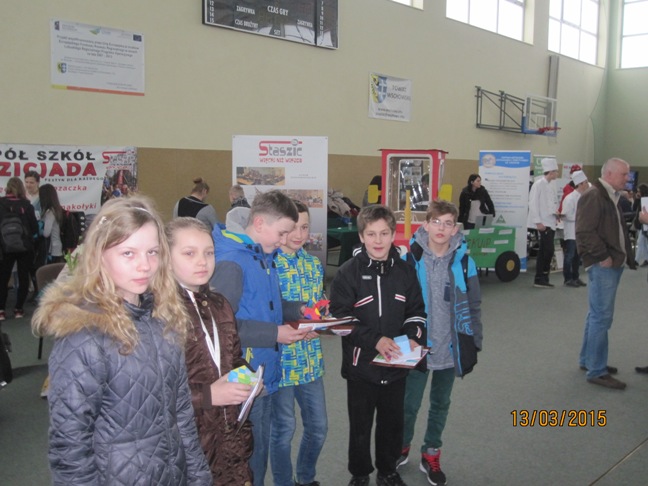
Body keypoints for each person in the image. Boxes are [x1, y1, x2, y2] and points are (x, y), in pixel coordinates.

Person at [31, 196, 212, 484]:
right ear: (99, 254)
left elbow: (181, 415)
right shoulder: (84, 336)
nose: (145, 266)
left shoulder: (162, 321)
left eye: (152, 252)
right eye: (128, 253)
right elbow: (70, 446)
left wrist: (199, 476)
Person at [209, 190, 309, 486]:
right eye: (282, 233)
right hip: (244, 374)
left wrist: (298, 311)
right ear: (260, 223)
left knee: (259, 450)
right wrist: (275, 333)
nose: (284, 240)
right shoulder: (233, 262)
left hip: (263, 369)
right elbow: (221, 326)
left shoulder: (262, 255)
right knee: (251, 456)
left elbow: (267, 305)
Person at [329, 204, 427, 486]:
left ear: (393, 235)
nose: (378, 240)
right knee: (360, 425)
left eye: (384, 233)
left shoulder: (406, 272)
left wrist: (412, 337)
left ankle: (388, 470)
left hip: (396, 365)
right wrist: (376, 341)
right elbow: (340, 319)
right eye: (371, 234)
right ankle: (360, 473)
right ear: (361, 236)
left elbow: (416, 312)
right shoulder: (348, 273)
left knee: (392, 423)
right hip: (361, 368)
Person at [397, 200, 482, 486]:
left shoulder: (465, 262)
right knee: (409, 404)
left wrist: (474, 341)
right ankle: (401, 446)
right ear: (426, 225)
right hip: (416, 347)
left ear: (455, 228)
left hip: (450, 347)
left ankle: (431, 452)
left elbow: (474, 304)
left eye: (448, 223)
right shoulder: (410, 260)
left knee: (441, 403)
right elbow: (398, 305)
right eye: (436, 222)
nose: (441, 228)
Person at [166, 217, 255, 485]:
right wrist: (208, 395)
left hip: (229, 432)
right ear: (165, 257)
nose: (202, 262)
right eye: (189, 253)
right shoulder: (159, 313)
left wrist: (248, 377)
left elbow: (233, 356)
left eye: (209, 252)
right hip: (187, 441)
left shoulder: (219, 304)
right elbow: (151, 393)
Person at [271, 200, 328, 486]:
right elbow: (267, 311)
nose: (298, 234)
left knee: (318, 427)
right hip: (281, 362)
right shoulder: (268, 263)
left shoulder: (313, 264)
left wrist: (323, 319)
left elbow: (318, 304)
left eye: (304, 227)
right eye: (293, 227)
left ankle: (305, 478)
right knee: (283, 429)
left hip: (310, 360)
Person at [576, 158, 636, 390]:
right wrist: (602, 256)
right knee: (601, 317)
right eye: (624, 174)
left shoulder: (609, 195)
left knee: (595, 315)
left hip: (611, 263)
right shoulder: (594, 196)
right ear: (609, 174)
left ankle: (588, 359)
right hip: (604, 265)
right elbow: (584, 231)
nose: (627, 179)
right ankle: (597, 370)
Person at [0, 177, 39, 320]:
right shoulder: (27, 205)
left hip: (4, 247)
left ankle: (1, 310)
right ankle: (18, 309)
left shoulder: (0, 203)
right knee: (23, 278)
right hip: (25, 246)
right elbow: (34, 228)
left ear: (7, 188)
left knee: (3, 278)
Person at [527, 158, 559, 288]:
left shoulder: (551, 185)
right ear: (550, 172)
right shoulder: (538, 184)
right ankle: (541, 276)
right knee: (548, 250)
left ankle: (542, 277)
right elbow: (533, 204)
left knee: (544, 251)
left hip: (551, 222)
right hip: (543, 224)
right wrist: (538, 222)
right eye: (556, 171)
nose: (557, 174)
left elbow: (551, 204)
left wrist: (556, 214)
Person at [562, 171, 589, 287]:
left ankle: (575, 277)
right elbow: (566, 215)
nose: (587, 184)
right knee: (570, 256)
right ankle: (568, 278)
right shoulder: (570, 198)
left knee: (578, 256)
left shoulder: (584, 197)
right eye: (586, 182)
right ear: (580, 184)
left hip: (580, 232)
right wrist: (581, 217)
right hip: (571, 232)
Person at [38, 184, 65, 264]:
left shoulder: (50, 212)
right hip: (56, 246)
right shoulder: (56, 210)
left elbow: (46, 233)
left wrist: (39, 230)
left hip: (52, 249)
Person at [633, 183, 648, 266]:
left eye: (639, 191)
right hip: (641, 224)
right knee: (643, 242)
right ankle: (645, 258)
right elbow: (634, 208)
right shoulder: (640, 200)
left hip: (644, 223)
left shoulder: (645, 200)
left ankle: (637, 260)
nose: (638, 193)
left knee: (640, 241)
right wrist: (637, 199)